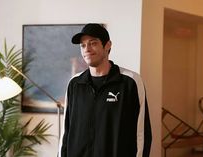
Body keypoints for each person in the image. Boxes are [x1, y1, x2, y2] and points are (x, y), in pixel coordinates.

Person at [58, 23, 152, 157]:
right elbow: (66, 132)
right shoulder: (75, 84)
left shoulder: (130, 82)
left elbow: (141, 133)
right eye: (83, 45)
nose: (87, 49)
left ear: (107, 45)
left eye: (93, 43)